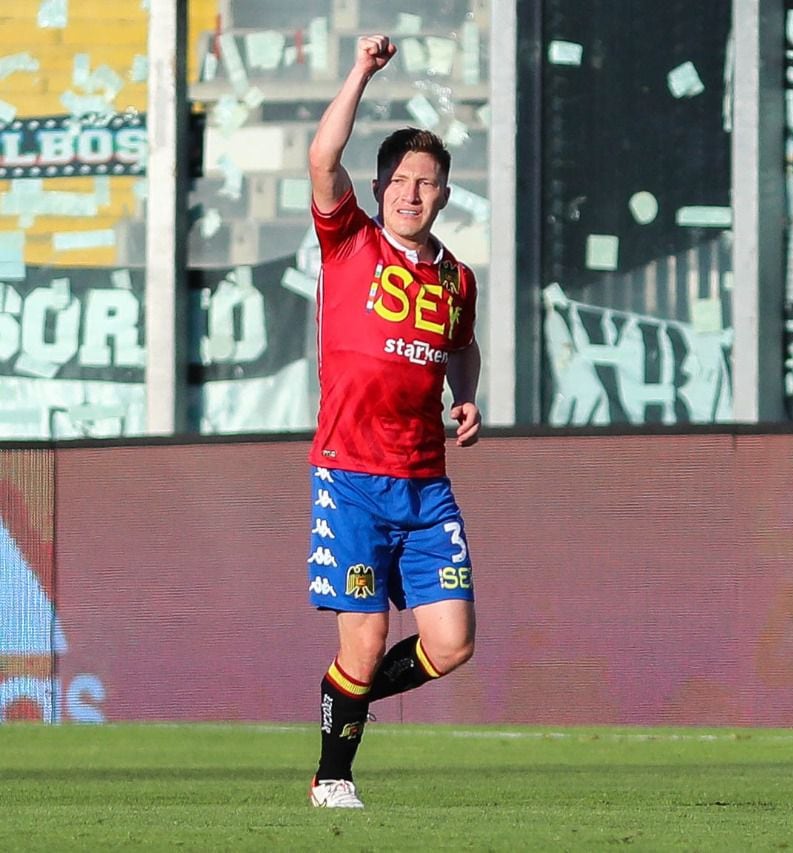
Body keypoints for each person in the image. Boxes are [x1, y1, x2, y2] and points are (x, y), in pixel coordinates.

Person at [304, 34, 482, 809]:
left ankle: (344, 705)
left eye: (428, 183)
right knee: (366, 640)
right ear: (380, 187)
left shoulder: (455, 276)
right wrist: (362, 72)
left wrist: (467, 395)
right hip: (350, 478)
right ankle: (332, 774)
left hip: (424, 486)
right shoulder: (350, 241)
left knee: (453, 644)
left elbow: (462, 349)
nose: (413, 193)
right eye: (402, 179)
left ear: (444, 196)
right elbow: (320, 157)